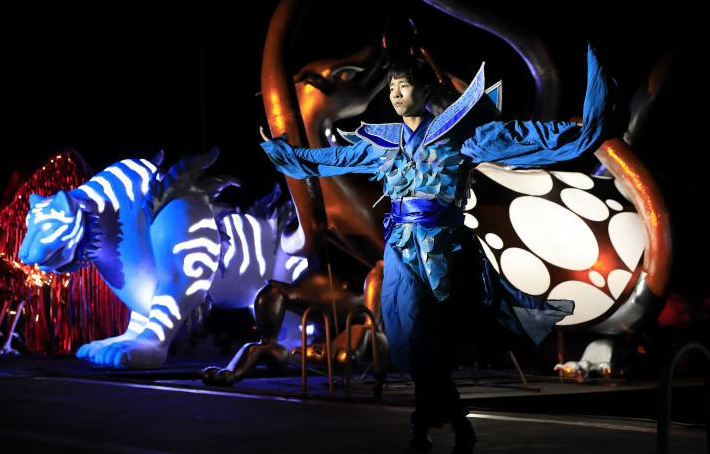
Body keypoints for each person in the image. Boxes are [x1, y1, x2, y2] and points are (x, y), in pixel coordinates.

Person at [259, 46, 629, 452]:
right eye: (392, 87)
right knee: (415, 337)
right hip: (400, 247)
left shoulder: (463, 137)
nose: (395, 94)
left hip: (444, 250)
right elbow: (333, 158)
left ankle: (428, 423)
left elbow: (526, 138)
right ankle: (448, 420)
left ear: (425, 90)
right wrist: (287, 154)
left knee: (426, 336)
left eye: (404, 86)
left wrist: (583, 131)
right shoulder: (385, 143)